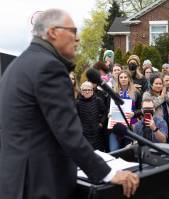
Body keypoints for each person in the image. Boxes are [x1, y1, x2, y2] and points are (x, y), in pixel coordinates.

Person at [0, 9, 139, 199]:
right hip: (41, 185)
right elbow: (69, 134)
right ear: (52, 32)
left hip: (16, 182)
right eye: (73, 32)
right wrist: (109, 173)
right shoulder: (49, 68)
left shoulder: (17, 67)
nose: (78, 39)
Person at [110, 70, 142, 151]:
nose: (123, 79)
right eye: (121, 77)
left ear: (129, 79)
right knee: (114, 150)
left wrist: (134, 114)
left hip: (131, 125)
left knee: (128, 151)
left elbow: (141, 109)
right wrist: (109, 113)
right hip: (116, 125)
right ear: (118, 79)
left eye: (125, 77)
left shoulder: (136, 93)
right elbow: (109, 107)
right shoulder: (113, 92)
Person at [143, 74, 169, 143]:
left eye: (160, 84)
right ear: (151, 85)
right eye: (156, 83)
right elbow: (152, 105)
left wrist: (165, 94)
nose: (158, 86)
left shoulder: (164, 93)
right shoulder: (147, 94)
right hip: (156, 125)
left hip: (168, 124)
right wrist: (162, 96)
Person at [77, 81, 107, 151]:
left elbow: (105, 113)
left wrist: (101, 123)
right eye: (84, 90)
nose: (87, 92)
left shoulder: (98, 100)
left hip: (97, 132)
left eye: (89, 90)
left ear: (92, 91)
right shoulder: (77, 103)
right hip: (84, 133)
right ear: (81, 92)